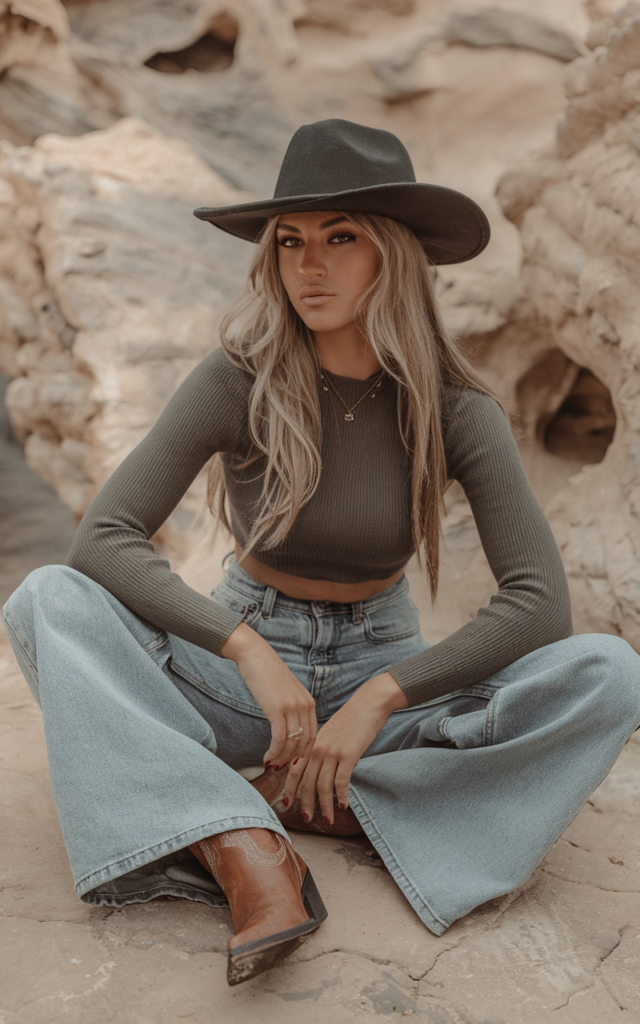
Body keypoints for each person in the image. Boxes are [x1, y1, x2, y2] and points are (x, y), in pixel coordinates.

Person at [4, 119, 640, 987]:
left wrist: (381, 696)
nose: (310, 265)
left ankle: (312, 797)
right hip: (239, 678)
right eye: (291, 241)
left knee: (608, 672)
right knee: (45, 598)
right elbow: (104, 538)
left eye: (342, 238)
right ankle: (244, 840)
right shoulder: (238, 377)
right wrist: (245, 649)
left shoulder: (458, 408)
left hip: (379, 668)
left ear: (395, 256)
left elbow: (539, 605)